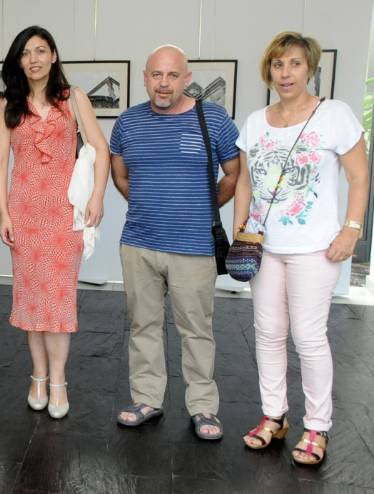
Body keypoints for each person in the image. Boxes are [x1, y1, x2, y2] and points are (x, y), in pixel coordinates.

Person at [234, 32, 369, 464]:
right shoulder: (255, 121)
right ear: (268, 71)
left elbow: (359, 176)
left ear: (310, 68)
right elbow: (245, 181)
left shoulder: (334, 114)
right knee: (268, 334)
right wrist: (241, 228)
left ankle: (316, 427)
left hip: (315, 248)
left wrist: (351, 230)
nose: (285, 72)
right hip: (265, 248)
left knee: (308, 337)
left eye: (294, 63)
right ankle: (274, 416)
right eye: (278, 64)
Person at [110, 45, 240, 440]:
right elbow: (120, 176)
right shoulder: (128, 122)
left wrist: (201, 207)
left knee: (196, 330)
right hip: (139, 243)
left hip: (194, 247)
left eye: (172, 75)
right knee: (143, 325)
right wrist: (150, 204)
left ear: (186, 79)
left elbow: (233, 174)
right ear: (145, 77)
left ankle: (203, 407)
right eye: (156, 75)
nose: (163, 83)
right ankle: (147, 398)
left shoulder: (213, 119)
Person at [0, 26, 110, 419]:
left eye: (41, 51)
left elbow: (100, 148)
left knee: (58, 299)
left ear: (54, 55)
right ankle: (37, 376)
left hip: (64, 214)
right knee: (31, 297)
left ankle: (58, 380)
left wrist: (97, 197)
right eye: (26, 53)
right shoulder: (8, 102)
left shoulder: (73, 98)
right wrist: (3, 212)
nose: (34, 59)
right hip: (24, 214)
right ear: (19, 61)